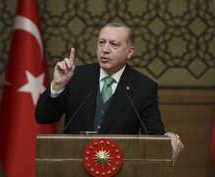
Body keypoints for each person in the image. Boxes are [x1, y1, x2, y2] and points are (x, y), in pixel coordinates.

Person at [35, 22, 184, 165]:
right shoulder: (75, 76)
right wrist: (57, 86)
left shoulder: (143, 87)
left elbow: (154, 134)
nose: (105, 49)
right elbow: (43, 117)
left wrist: (169, 137)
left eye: (114, 44)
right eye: (101, 42)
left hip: (119, 167)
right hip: (73, 165)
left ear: (130, 52)